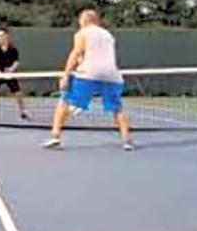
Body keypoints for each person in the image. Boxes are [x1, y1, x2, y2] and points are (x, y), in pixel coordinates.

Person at [43, 9, 135, 151]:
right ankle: (127, 140)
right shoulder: (108, 35)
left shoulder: (82, 33)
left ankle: (55, 136)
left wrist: (65, 75)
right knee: (117, 108)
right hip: (112, 75)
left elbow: (76, 53)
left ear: (83, 21)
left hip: (89, 74)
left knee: (64, 99)